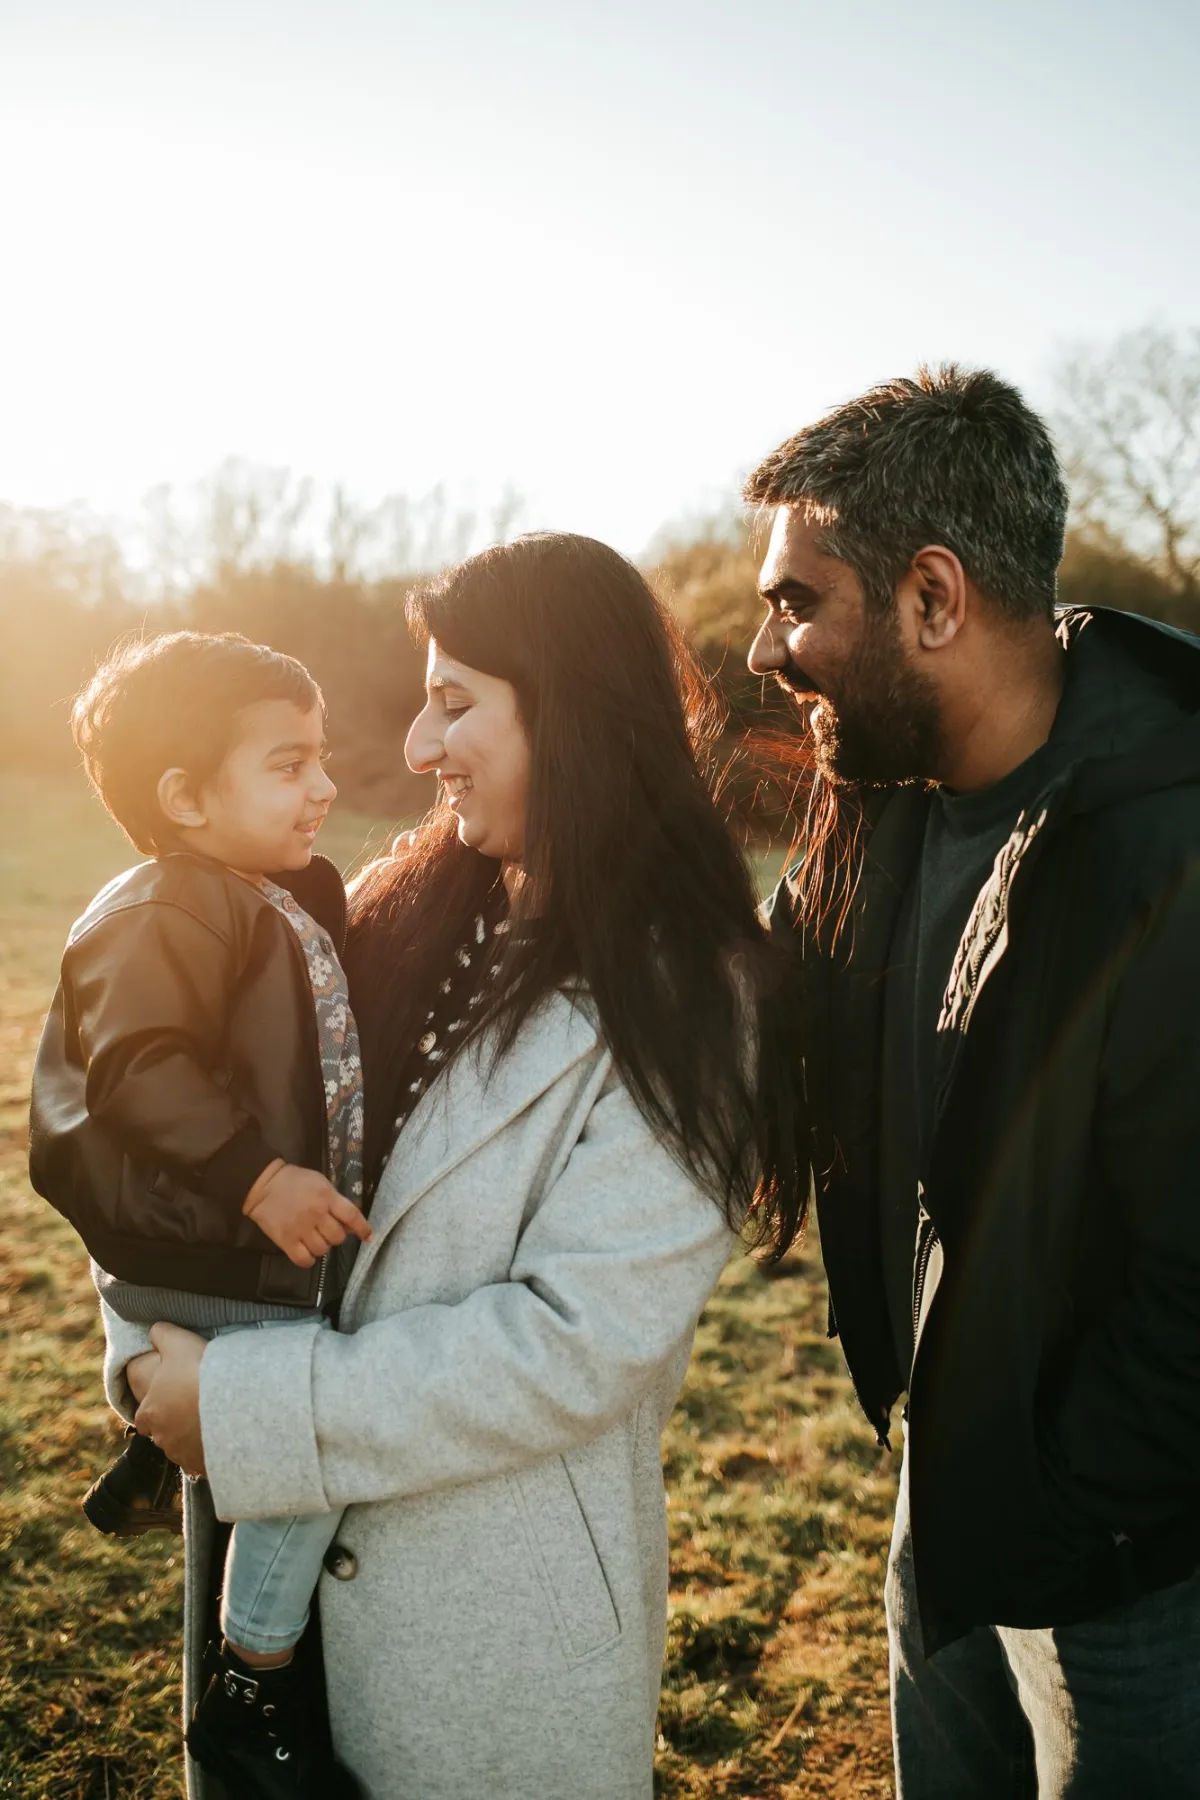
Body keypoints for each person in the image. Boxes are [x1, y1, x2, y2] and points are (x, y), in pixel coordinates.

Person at [115, 532, 807, 1800]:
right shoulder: (394, 911)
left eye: (455, 703)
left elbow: (574, 1346)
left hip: (486, 1620)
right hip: (271, 1578)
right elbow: (199, 1121)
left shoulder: (703, 996)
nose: (422, 751)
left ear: (576, 711)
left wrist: (243, 1406)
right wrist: (151, 1332)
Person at [745, 365, 1200, 1798]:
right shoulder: (883, 799)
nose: (770, 645)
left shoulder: (1165, 849)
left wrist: (1064, 1498)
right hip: (948, 1492)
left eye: (798, 600)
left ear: (933, 599)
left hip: (1121, 1563)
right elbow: (747, 1013)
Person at [29, 631, 372, 1799]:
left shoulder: (244, 891)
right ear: (185, 796)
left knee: (275, 1408)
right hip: (210, 1255)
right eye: (288, 764)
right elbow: (138, 1067)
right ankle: (254, 1671)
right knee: (303, 1437)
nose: (324, 785)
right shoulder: (164, 906)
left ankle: (145, 1440)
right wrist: (256, 1177)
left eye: (321, 757)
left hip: (203, 1253)